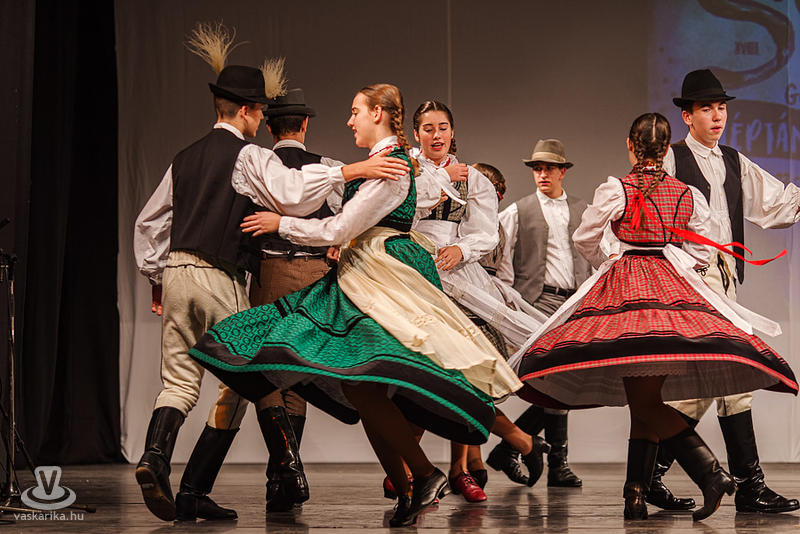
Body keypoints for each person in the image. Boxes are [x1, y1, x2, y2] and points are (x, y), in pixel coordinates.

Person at [189, 84, 522, 527]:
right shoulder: (382, 163)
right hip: (363, 270)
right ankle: (414, 484)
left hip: (382, 276)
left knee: (365, 382)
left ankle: (428, 474)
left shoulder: (394, 165)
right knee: (361, 388)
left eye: (355, 111)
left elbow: (341, 227)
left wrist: (280, 224)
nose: (349, 121)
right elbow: (345, 214)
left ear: (378, 114)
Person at [133, 27, 409, 522]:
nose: (263, 119)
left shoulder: (183, 158)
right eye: (259, 110)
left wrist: (156, 276)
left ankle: (154, 459)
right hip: (219, 275)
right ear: (245, 110)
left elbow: (150, 224)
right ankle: (287, 468)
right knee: (253, 370)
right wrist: (350, 171)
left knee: (178, 382)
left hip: (176, 274)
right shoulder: (249, 155)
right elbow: (292, 195)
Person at [511, 112, 797, 521]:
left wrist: (611, 259)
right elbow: (704, 248)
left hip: (627, 288)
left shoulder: (617, 188)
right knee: (644, 397)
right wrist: (676, 261)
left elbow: (584, 237)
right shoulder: (684, 192)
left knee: (643, 398)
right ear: (665, 149)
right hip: (667, 292)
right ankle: (635, 494)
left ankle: (710, 474)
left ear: (631, 145)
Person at [649, 69, 800, 515]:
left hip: (726, 279)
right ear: (687, 116)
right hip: (690, 281)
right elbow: (646, 213)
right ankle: (750, 487)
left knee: (701, 388)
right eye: (706, 109)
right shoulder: (672, 160)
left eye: (721, 108)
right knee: (733, 375)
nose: (717, 116)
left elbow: (775, 203)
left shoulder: (733, 160)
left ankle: (647, 478)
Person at [410, 102, 549, 501]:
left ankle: (459, 467)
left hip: (454, 271)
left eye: (443, 127)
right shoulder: (406, 170)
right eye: (428, 128)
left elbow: (485, 233)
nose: (436, 135)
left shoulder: (473, 179)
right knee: (416, 370)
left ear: (452, 132)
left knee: (463, 370)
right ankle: (410, 465)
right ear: (416, 133)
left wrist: (462, 249)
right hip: (410, 268)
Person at [244, 87, 342, 512]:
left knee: (263, 370)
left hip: (269, 270)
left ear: (269, 128)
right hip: (315, 275)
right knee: (298, 373)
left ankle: (287, 469)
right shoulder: (329, 168)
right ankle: (281, 479)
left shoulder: (256, 167)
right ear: (304, 125)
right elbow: (350, 218)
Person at [490, 139, 589, 488]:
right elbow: (502, 261)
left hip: (575, 302)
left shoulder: (583, 209)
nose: (542, 174)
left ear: (563, 172)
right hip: (538, 302)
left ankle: (510, 448)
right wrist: (510, 301)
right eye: (537, 168)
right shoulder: (518, 211)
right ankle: (557, 463)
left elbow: (596, 254)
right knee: (557, 379)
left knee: (567, 381)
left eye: (548, 168)